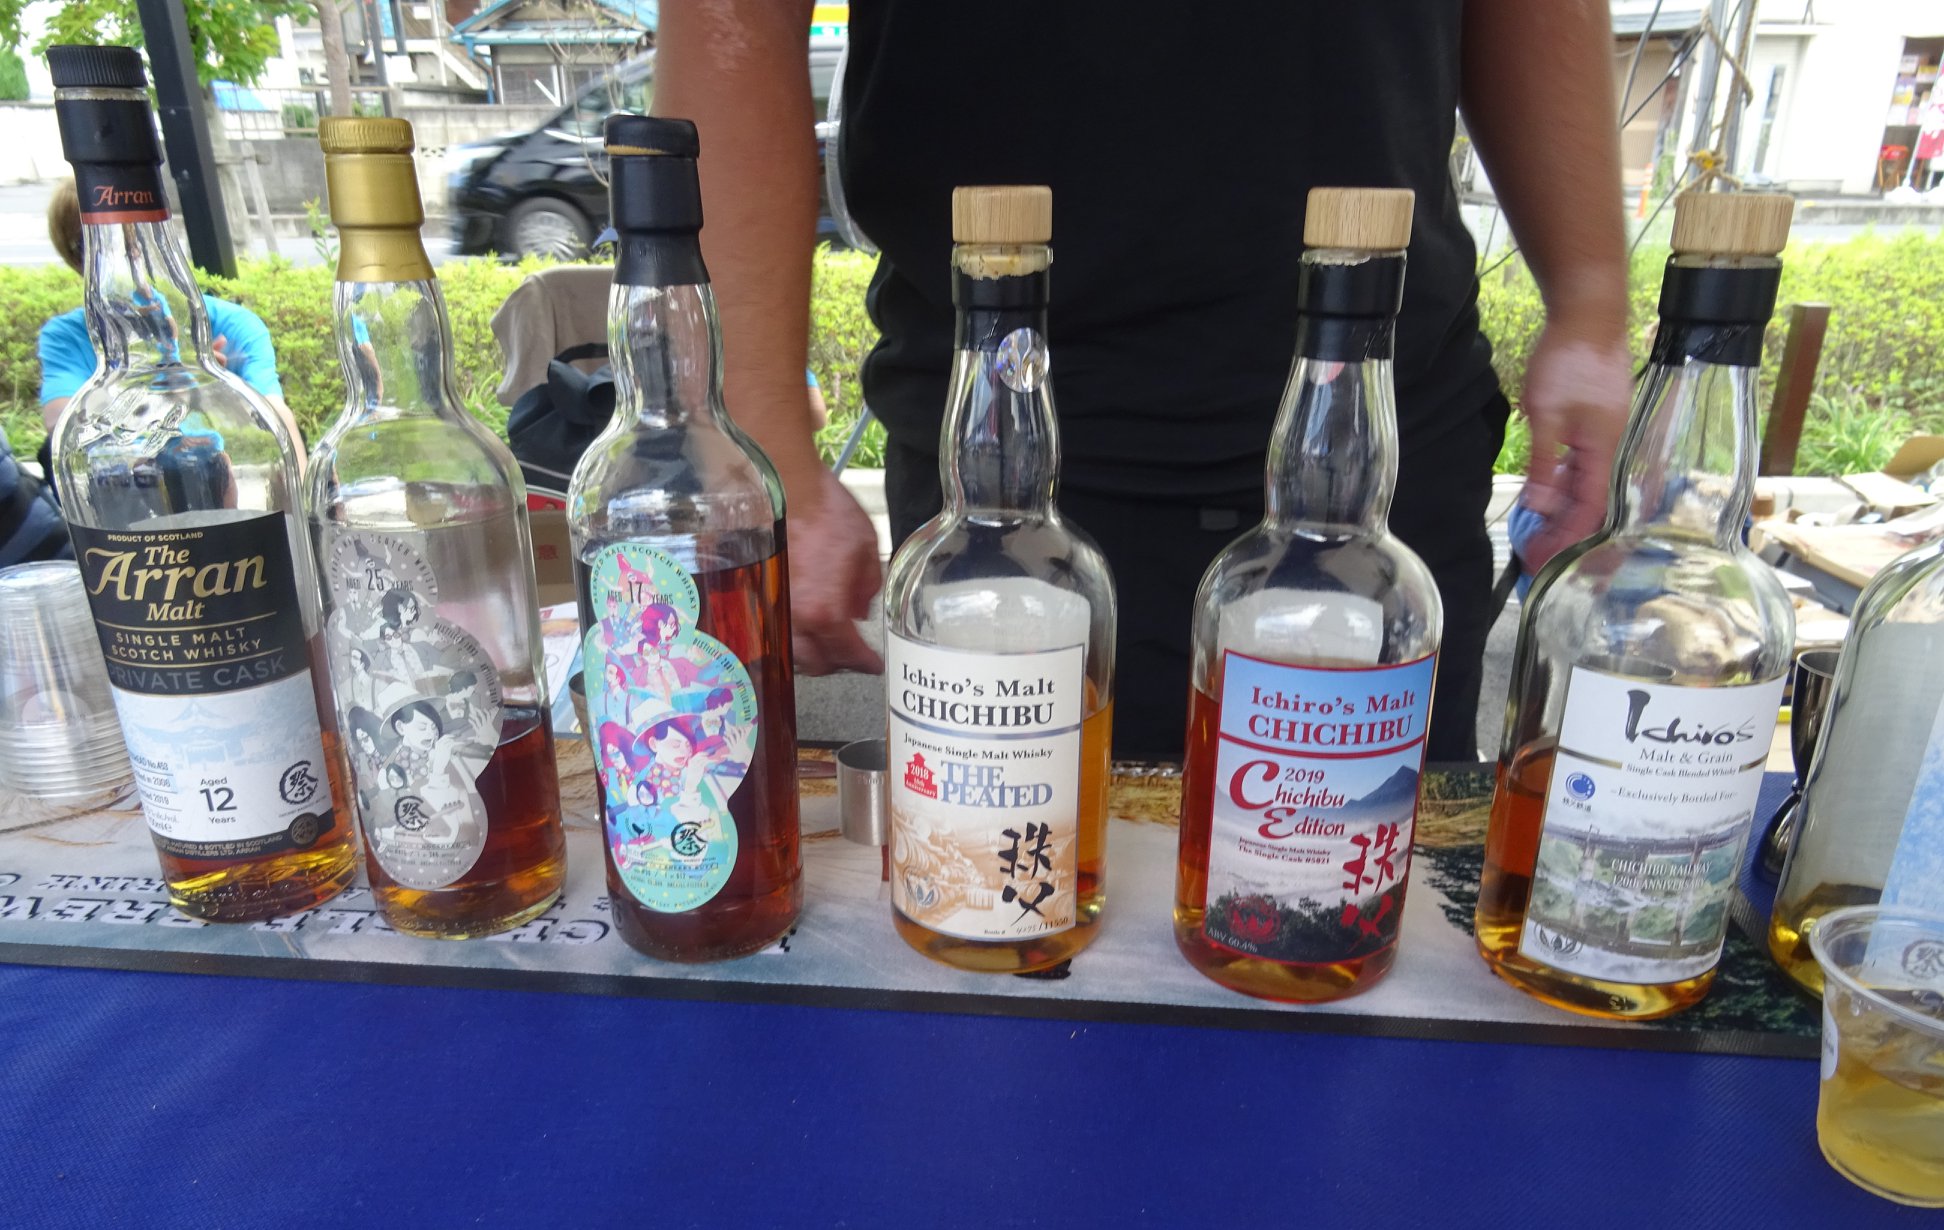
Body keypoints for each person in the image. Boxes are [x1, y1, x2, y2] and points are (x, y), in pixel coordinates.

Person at [653, 1, 1635, 760]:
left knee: (1359, 910)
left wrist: (1591, 296)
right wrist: (761, 440)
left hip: (1381, 442)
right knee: (997, 899)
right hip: (995, 466)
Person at [36, 178, 307, 464]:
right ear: (75, 258)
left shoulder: (232, 323)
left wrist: (209, 389)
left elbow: (276, 416)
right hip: (126, 482)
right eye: (92, 246)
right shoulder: (67, 336)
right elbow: (61, 424)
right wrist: (166, 384)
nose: (126, 256)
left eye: (135, 238)